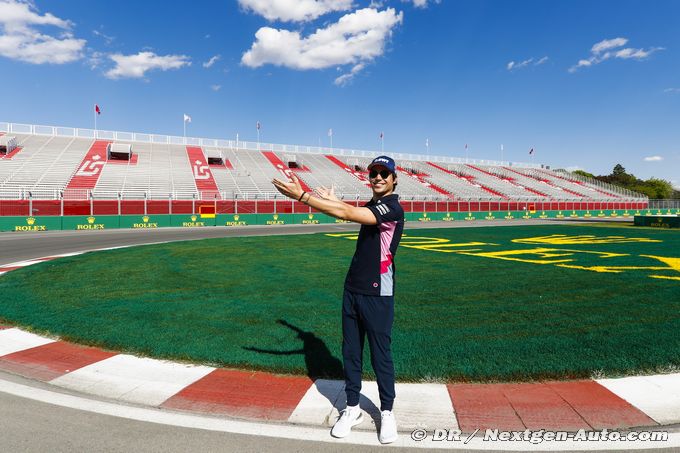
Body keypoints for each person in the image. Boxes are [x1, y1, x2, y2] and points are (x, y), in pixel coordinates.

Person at [272, 156, 404, 444]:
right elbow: (347, 211)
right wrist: (335, 202)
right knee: (351, 352)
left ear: (394, 179)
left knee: (381, 354)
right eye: (374, 173)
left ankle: (387, 411)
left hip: (378, 292)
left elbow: (346, 214)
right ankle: (352, 408)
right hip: (353, 288)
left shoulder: (392, 208)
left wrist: (303, 197)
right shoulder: (372, 206)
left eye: (384, 173)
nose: (378, 177)